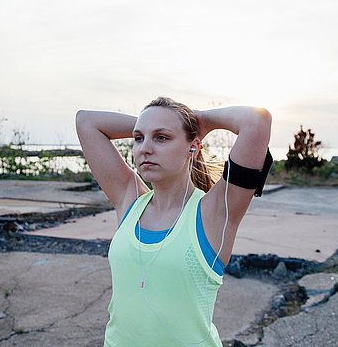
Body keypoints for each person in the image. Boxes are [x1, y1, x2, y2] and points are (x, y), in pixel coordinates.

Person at [75, 96, 272, 347]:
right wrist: (157, 122)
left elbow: (257, 121)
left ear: (194, 146)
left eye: (162, 137)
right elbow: (86, 121)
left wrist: (199, 120)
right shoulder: (130, 200)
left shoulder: (214, 212)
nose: (145, 148)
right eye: (139, 138)